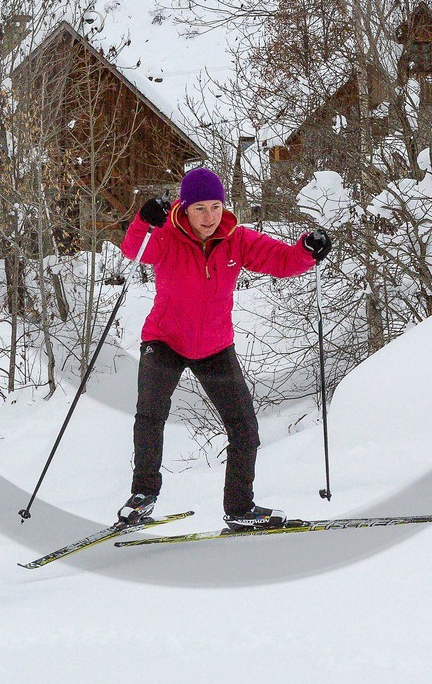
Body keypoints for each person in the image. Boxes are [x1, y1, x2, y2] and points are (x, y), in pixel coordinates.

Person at [116, 167, 332, 530]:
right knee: (150, 416)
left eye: (215, 206)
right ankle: (143, 496)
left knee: (244, 428)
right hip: (165, 340)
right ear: (185, 208)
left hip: (214, 345)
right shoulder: (167, 236)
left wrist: (308, 252)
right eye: (200, 208)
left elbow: (280, 260)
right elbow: (134, 249)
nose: (209, 216)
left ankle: (239, 509)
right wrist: (144, 220)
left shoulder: (237, 238)